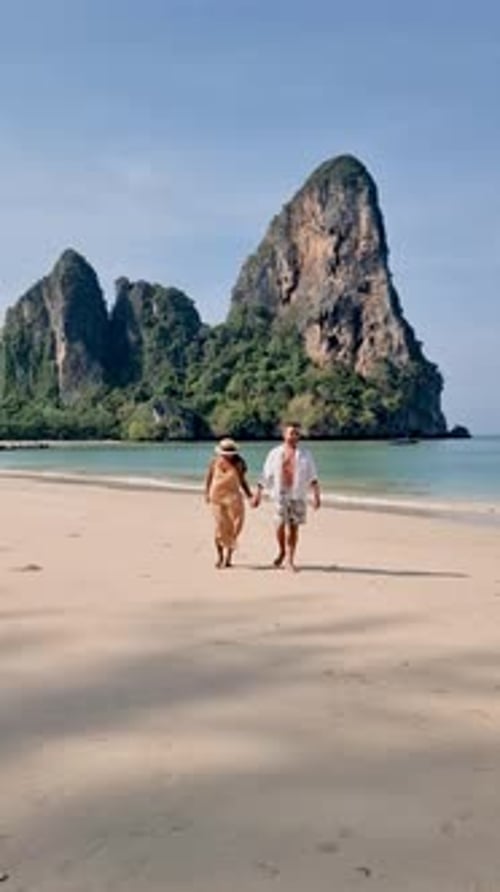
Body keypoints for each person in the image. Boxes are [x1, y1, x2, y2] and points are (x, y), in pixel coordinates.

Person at [252, 422, 320, 571]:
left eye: (297, 433)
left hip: (298, 494)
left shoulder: (305, 455)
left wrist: (316, 496)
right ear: (284, 435)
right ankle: (282, 550)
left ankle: (290, 559)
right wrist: (257, 494)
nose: (294, 436)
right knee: (279, 525)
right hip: (280, 492)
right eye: (291, 433)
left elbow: (313, 477)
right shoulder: (275, 453)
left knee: (294, 528)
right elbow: (265, 475)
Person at [205, 437, 253, 568]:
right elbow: (209, 477)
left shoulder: (239, 463)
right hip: (217, 498)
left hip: (234, 498)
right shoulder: (214, 462)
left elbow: (243, 481)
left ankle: (228, 557)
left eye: (229, 454)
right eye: (225, 453)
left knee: (235, 528)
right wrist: (206, 493)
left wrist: (250, 496)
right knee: (220, 528)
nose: (227, 456)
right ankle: (220, 557)